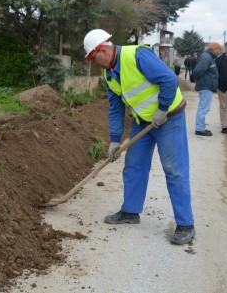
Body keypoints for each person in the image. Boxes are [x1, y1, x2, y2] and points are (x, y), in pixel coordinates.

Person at [83, 29, 194, 245]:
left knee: (174, 170)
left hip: (168, 119)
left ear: (103, 49)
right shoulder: (109, 74)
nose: (94, 63)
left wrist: (162, 109)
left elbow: (169, 80)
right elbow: (115, 109)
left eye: (94, 57)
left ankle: (186, 225)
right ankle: (130, 212)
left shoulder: (137, 56)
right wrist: (115, 139)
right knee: (134, 166)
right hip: (141, 123)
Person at [192, 42, 222, 136]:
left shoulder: (209, 57)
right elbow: (197, 72)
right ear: (214, 49)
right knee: (203, 108)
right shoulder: (206, 57)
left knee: (204, 107)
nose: (220, 50)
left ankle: (201, 127)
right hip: (205, 86)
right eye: (219, 49)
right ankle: (199, 129)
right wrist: (204, 81)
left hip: (206, 86)